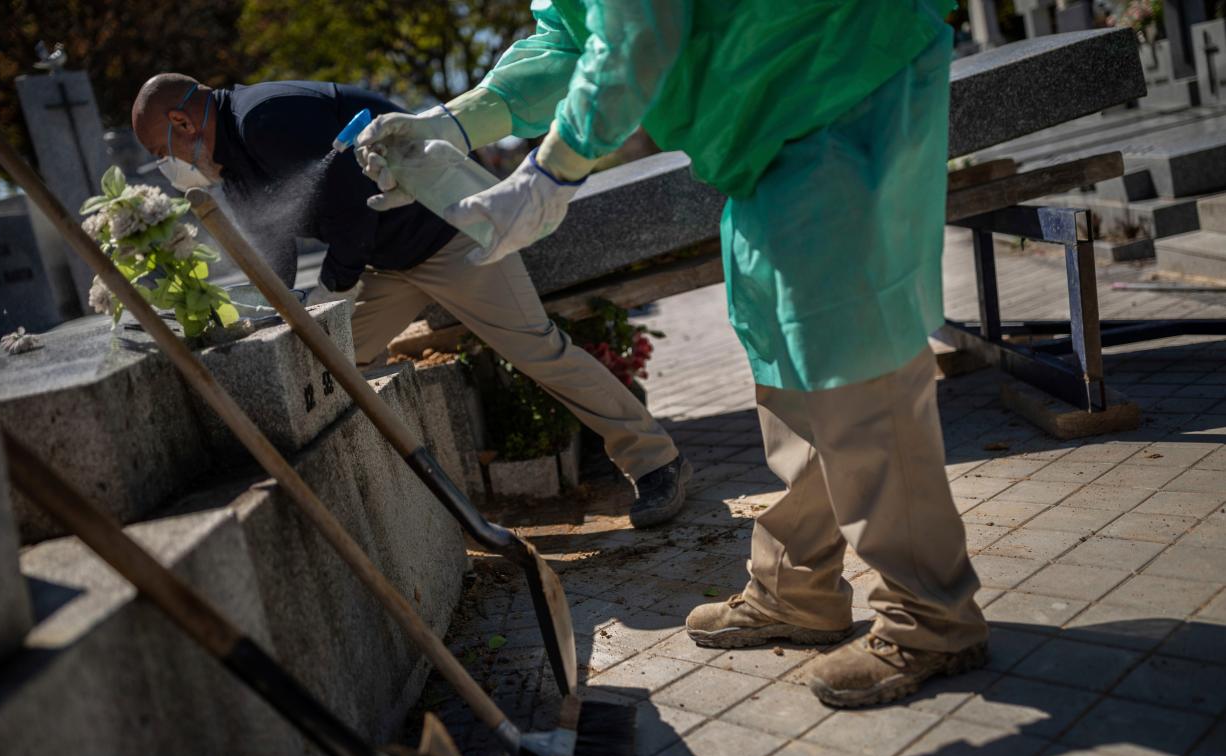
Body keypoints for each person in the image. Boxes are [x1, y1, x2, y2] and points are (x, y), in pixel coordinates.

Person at [357, 0, 988, 707]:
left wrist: (551, 175)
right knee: (789, 365)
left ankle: (931, 619)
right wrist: (456, 121)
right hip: (766, 116)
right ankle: (798, 587)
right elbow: (574, 39)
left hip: (838, 78)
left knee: (856, 370)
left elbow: (638, 35)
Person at [129, 74, 693, 528]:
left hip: (453, 236)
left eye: (163, 150)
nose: (168, 164)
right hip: (390, 260)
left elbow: (349, 194)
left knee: (539, 351)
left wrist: (336, 282)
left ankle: (656, 461)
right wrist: (272, 309)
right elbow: (271, 239)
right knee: (335, 360)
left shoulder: (264, 118)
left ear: (182, 121)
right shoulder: (234, 151)